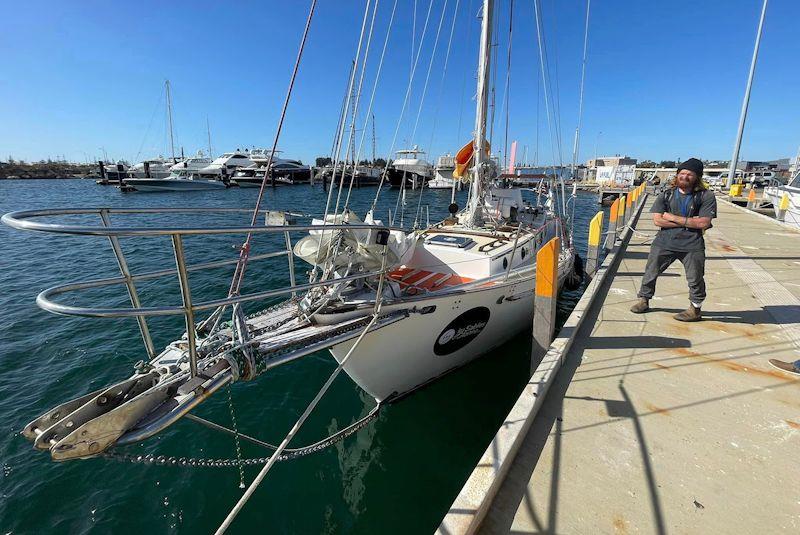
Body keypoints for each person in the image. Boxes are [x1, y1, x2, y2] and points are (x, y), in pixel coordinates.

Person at [630, 158, 717, 321]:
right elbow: (658, 220)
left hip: (693, 245)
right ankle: (644, 300)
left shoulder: (706, 196)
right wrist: (690, 222)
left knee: (696, 277)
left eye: (689, 174)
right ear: (677, 175)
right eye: (682, 173)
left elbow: (704, 222)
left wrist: (672, 217)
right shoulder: (666, 194)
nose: (685, 176)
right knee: (651, 272)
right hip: (664, 242)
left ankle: (695, 309)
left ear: (697, 177)